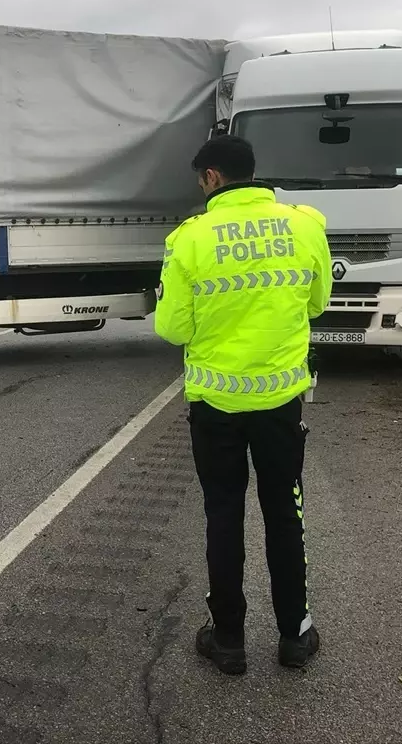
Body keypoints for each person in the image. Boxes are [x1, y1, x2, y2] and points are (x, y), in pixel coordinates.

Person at [154, 134, 332, 675]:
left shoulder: (190, 239)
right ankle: (295, 635)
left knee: (224, 513)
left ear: (211, 177)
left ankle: (229, 639)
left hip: (216, 405)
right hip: (281, 402)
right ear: (251, 171)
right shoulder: (305, 226)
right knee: (285, 511)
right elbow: (318, 303)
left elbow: (171, 327)